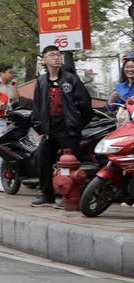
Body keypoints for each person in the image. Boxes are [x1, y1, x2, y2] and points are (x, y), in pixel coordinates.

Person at [29, 44, 94, 207]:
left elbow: (85, 104)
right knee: (43, 159)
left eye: (58, 54)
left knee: (68, 162)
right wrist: (39, 128)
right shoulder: (42, 81)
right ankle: (46, 194)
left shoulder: (70, 79)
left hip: (68, 128)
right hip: (49, 128)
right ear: (44, 60)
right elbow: (37, 107)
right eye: (52, 55)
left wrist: (77, 124)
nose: (57, 57)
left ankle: (68, 195)